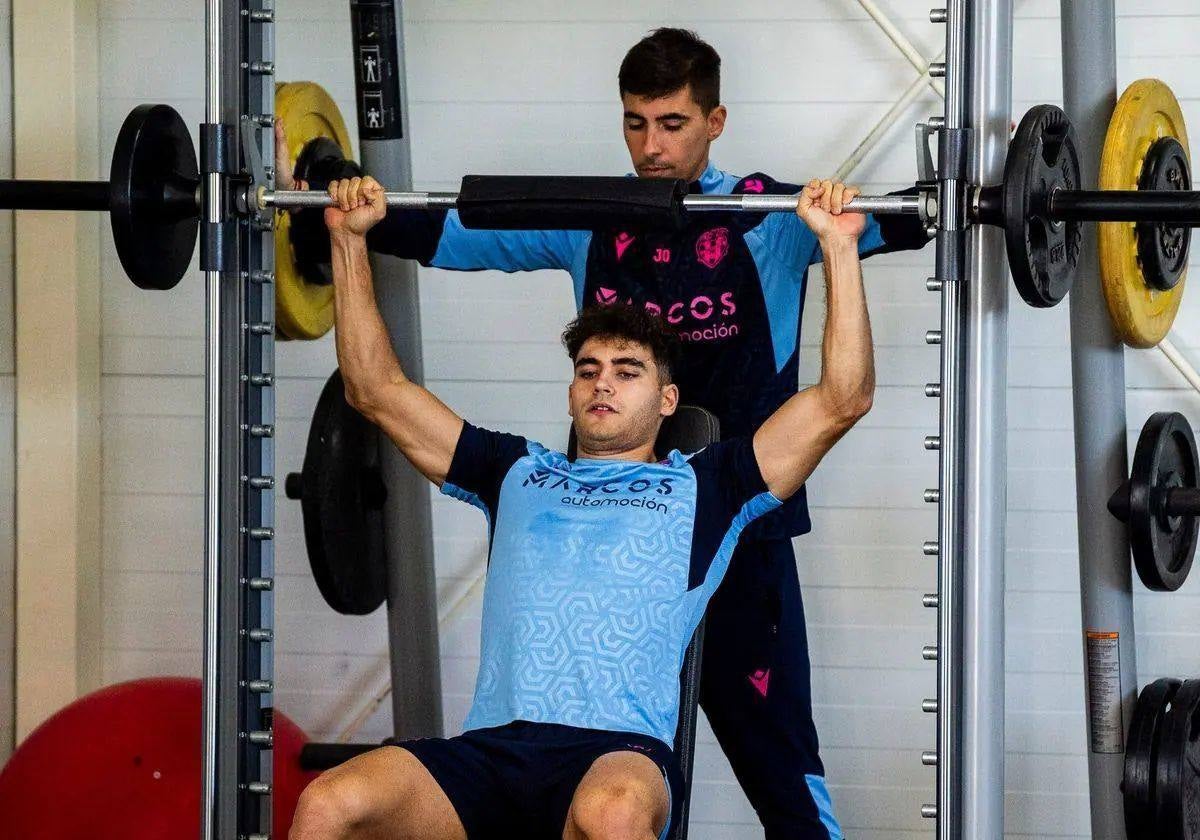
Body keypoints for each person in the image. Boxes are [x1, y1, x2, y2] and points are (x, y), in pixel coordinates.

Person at [278, 28, 928, 839]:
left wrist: (894, 210)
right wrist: (338, 207)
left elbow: (905, 233)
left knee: (784, 780)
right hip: (594, 519)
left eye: (672, 124)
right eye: (634, 124)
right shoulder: (593, 225)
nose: (651, 148)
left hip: (736, 520)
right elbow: (446, 238)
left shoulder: (771, 217)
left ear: (715, 119)